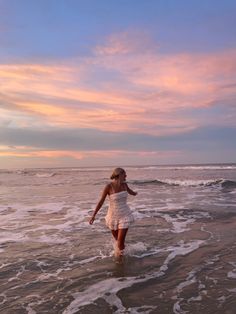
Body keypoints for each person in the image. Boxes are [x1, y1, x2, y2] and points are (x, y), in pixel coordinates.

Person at [89, 167, 137, 257]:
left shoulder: (125, 185)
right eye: (124, 174)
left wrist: (135, 193)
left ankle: (120, 261)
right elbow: (101, 201)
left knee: (120, 242)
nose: (126, 176)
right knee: (117, 240)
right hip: (113, 216)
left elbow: (130, 192)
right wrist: (93, 215)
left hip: (125, 215)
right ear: (119, 175)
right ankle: (123, 253)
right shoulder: (109, 187)